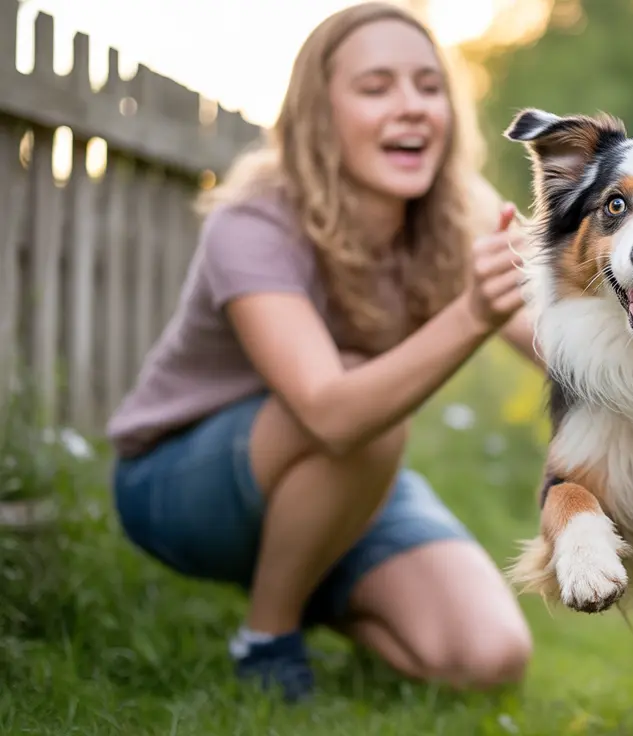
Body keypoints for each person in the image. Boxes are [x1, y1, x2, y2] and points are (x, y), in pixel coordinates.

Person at [105, 2, 539, 704]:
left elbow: (555, 346)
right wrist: (470, 315)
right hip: (182, 480)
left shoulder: (458, 209)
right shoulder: (253, 222)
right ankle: (268, 638)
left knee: (488, 659)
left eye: (429, 87)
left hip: (346, 475)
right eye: (376, 88)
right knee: (365, 409)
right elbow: (331, 413)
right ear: (318, 112)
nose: (411, 108)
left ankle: (312, 577)